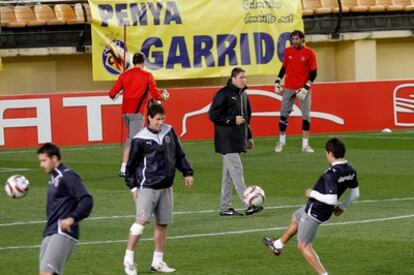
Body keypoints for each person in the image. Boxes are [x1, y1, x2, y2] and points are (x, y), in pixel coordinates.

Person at [263, 138, 360, 275]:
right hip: (322, 210)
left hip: (315, 211)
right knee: (296, 217)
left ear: (330, 153)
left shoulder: (330, 175)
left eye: (326, 153)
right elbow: (355, 194)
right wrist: (343, 207)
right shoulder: (351, 170)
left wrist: (312, 193)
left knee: (304, 245)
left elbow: (331, 199)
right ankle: (277, 245)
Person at [123, 103, 194, 275]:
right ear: (149, 118)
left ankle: (157, 262)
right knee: (141, 224)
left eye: (163, 119)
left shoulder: (169, 131)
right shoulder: (140, 138)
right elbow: (130, 167)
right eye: (157, 119)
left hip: (166, 187)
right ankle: (128, 259)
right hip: (147, 187)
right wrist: (133, 188)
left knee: (162, 224)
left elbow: (179, 154)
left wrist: (187, 172)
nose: (160, 122)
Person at [208, 67, 262, 217]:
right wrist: (232, 120)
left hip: (237, 140)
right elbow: (212, 115)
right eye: (241, 77)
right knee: (237, 172)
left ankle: (225, 207)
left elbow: (247, 117)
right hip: (226, 141)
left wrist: (249, 137)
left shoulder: (243, 94)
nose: (244, 80)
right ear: (233, 78)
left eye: (245, 77)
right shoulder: (223, 94)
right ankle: (248, 204)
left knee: (228, 177)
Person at [108, 51, 169, 177]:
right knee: (133, 140)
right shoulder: (147, 75)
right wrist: (164, 96)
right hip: (137, 112)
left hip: (125, 113)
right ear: (143, 61)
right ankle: (126, 168)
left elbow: (111, 94)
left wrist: (120, 93)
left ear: (133, 62)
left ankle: (134, 165)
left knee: (135, 138)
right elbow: (155, 94)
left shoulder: (124, 75)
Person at [37, 143, 94, 275]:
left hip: (62, 231)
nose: (41, 165)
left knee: (46, 273)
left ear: (54, 158)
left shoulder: (67, 176)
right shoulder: (54, 178)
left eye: (44, 160)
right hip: (50, 231)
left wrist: (72, 218)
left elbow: (87, 199)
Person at [274, 30, 318, 153]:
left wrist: (306, 87)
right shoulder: (288, 51)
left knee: (306, 116)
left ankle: (305, 145)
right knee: (283, 114)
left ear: (302, 39)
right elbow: (284, 67)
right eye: (293, 39)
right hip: (288, 86)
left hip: (303, 88)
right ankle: (281, 141)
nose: (295, 41)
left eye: (297, 39)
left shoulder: (309, 53)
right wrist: (277, 80)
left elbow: (314, 73)